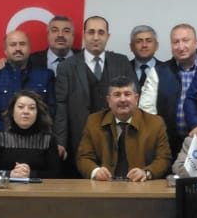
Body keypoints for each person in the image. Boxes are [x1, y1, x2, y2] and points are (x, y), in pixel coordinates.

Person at [54, 16, 136, 177]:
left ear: (108, 36)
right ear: (84, 35)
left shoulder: (121, 62)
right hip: (79, 139)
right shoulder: (66, 67)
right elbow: (61, 105)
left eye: (101, 32)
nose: (96, 37)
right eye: (91, 32)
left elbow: (133, 101)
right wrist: (60, 141)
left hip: (117, 139)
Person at [0, 30, 56, 147]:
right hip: (0, 142)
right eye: (13, 45)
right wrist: (5, 131)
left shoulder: (45, 75)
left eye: (22, 44)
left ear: (29, 48)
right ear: (5, 50)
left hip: (37, 142)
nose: (18, 48)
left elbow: (51, 108)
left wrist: (33, 130)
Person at [78, 76, 170, 181]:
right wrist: (95, 171)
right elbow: (83, 157)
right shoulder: (94, 121)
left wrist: (146, 173)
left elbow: (164, 158)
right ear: (108, 100)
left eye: (127, 94)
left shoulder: (155, 123)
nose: (122, 99)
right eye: (117, 95)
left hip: (140, 186)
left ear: (136, 98)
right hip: (104, 186)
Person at [130, 25, 184, 155]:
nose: (144, 45)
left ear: (157, 45)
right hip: (130, 135)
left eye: (149, 41)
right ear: (131, 46)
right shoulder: (122, 68)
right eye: (139, 41)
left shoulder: (168, 71)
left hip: (164, 139)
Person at [0, 90, 59, 178]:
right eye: (21, 107)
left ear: (38, 113)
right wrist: (10, 174)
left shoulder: (48, 140)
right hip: (6, 186)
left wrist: (30, 174)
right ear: (12, 111)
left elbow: (56, 174)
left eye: (31, 108)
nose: (26, 112)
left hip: (39, 186)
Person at [164, 23, 197, 136]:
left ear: (196, 43)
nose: (181, 47)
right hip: (169, 141)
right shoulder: (160, 71)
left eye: (185, 40)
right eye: (175, 42)